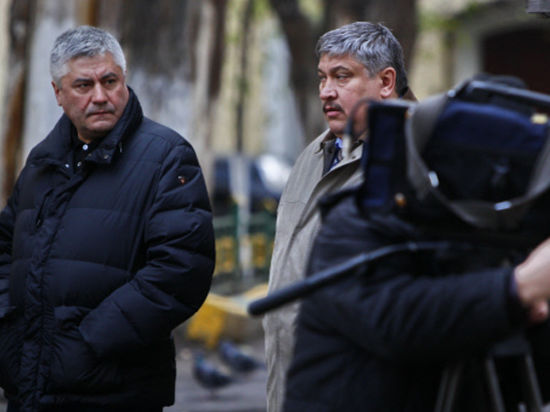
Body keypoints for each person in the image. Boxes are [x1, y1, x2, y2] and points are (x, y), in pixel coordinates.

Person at [283, 83, 550, 410]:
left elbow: (526, 376)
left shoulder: (497, 236)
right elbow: (395, 321)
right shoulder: (359, 219)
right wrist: (517, 288)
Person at [0, 26, 215, 412]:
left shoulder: (167, 156)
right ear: (58, 93)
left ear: (124, 80)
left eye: (110, 81)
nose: (100, 96)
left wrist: (90, 341)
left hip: (115, 391)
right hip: (29, 390)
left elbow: (182, 270)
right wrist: (9, 330)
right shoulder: (41, 162)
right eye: (84, 85)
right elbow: (5, 247)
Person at [263, 21, 415, 411]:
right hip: (292, 387)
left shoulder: (412, 161)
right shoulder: (315, 152)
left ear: (386, 82)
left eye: (342, 76)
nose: (326, 91)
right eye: (322, 77)